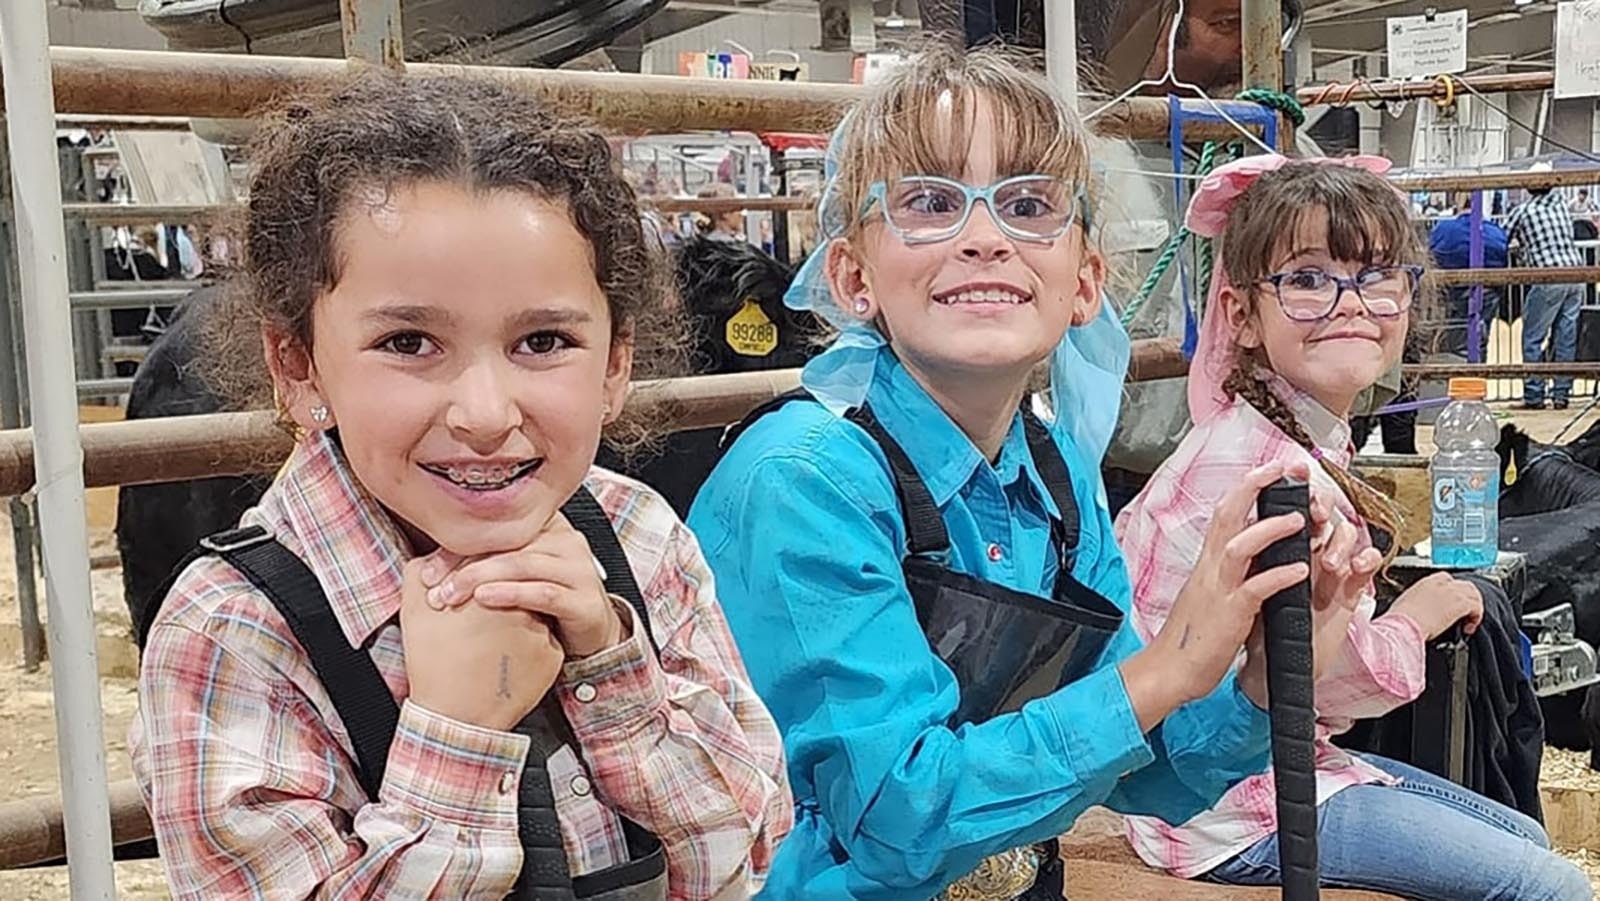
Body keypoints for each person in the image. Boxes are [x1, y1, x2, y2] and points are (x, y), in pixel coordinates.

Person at [689, 46, 1360, 900]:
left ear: (1085, 283)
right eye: (930, 202)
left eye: (1029, 204)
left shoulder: (1054, 473)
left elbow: (1140, 774)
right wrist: (1164, 669)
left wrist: (1262, 682)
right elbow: (898, 822)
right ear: (853, 276)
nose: (983, 238)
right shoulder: (804, 481)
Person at [131, 73, 792, 899]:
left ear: (616, 364)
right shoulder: (235, 633)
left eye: (544, 339)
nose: (484, 413)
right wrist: (456, 734)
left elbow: (742, 856)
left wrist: (611, 661)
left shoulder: (639, 537)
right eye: (408, 342)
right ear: (298, 368)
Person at [1116, 154, 1590, 900]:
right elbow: (1320, 683)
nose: (1350, 302)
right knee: (1549, 886)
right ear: (1241, 315)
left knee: (1524, 835)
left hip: (1275, 764)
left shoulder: (1287, 435)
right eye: (1306, 278)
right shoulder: (1277, 479)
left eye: (1376, 275)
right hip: (1227, 805)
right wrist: (1416, 615)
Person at [1507, 178, 1586, 410]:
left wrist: (1520, 248)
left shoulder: (1523, 211)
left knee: (1533, 337)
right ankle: (1561, 394)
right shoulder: (1561, 205)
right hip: (1576, 273)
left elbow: (1503, 235)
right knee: (1565, 336)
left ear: (1528, 187)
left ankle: (1534, 395)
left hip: (1548, 276)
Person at [1429, 192, 1508, 360]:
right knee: (1480, 335)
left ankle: (1453, 372)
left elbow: (1432, 255)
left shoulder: (1444, 228)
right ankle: (1477, 372)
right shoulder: (1495, 231)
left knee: (1451, 336)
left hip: (1451, 292)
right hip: (1487, 293)